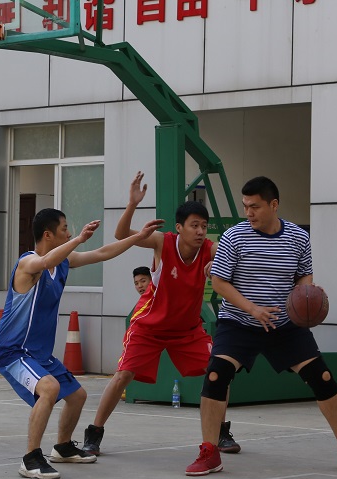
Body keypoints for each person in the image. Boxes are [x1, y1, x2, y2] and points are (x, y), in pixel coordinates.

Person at [185, 176, 337, 476]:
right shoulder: (234, 237)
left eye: (255, 207)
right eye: (245, 206)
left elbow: (304, 276)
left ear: (274, 205)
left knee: (323, 377)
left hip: (284, 324)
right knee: (217, 375)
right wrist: (253, 309)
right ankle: (209, 451)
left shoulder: (298, 237)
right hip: (239, 322)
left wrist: (306, 295)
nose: (248, 212)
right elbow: (219, 282)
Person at [0, 208, 163, 479]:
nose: (69, 233)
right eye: (64, 229)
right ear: (48, 235)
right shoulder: (28, 263)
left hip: (38, 353)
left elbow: (103, 253)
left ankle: (62, 447)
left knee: (77, 395)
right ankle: (30, 458)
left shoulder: (63, 261)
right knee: (50, 388)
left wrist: (138, 237)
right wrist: (79, 239)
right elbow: (45, 260)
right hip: (13, 351)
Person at [82, 171, 241, 457]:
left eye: (204, 226)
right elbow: (121, 235)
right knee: (123, 375)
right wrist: (132, 204)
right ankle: (94, 433)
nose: (201, 231)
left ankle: (220, 431)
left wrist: (219, 266)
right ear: (180, 227)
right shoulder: (162, 242)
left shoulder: (210, 250)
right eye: (194, 225)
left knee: (220, 371)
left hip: (187, 330)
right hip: (149, 327)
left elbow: (237, 255)